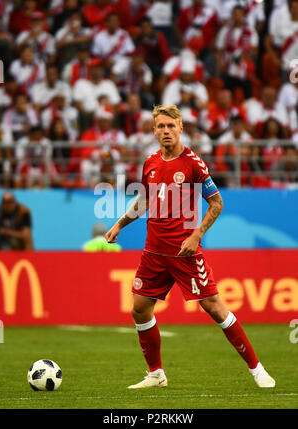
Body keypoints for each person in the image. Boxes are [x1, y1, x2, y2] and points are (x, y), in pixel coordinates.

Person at [105, 104, 275, 389]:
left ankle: (257, 369)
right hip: (153, 252)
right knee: (139, 308)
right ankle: (156, 374)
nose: (166, 131)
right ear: (154, 130)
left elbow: (217, 203)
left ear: (181, 128)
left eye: (171, 126)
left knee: (215, 307)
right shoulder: (150, 162)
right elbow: (144, 200)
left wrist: (196, 236)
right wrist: (120, 224)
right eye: (161, 126)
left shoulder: (193, 163)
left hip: (184, 252)